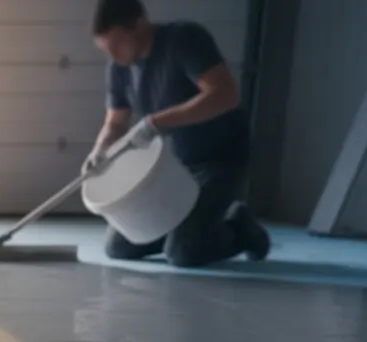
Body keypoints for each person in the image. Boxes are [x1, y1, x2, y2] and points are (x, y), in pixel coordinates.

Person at [84, 0, 271, 268]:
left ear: (139, 24)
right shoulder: (118, 68)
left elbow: (226, 95)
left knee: (183, 251)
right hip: (177, 168)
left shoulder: (184, 40)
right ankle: (187, 228)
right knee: (120, 245)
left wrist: (155, 123)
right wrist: (100, 151)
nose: (113, 56)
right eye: (106, 49)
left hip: (223, 161)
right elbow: (115, 123)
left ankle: (242, 229)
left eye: (116, 45)